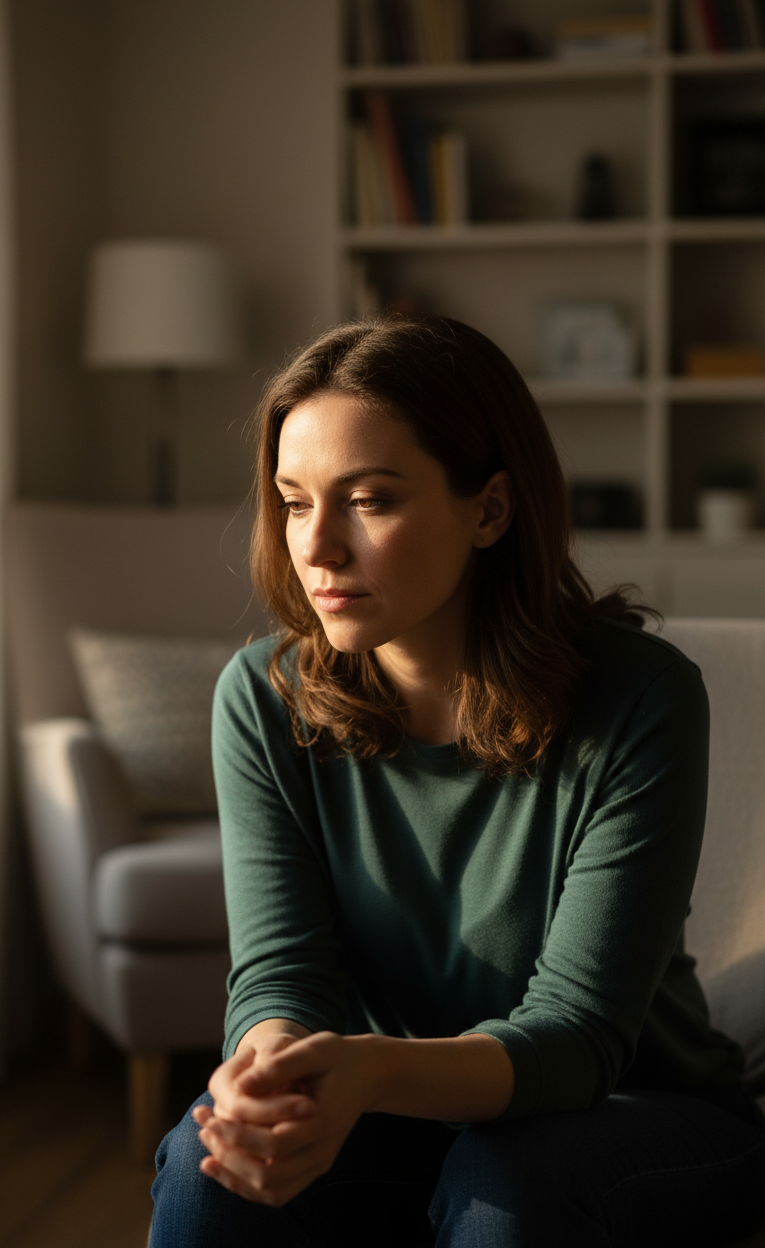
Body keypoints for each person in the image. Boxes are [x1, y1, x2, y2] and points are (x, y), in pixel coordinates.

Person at [150, 315, 765, 1247]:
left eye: (368, 500)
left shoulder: (641, 697)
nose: (316, 549)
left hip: (639, 1112)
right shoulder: (262, 696)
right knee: (212, 1175)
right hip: (389, 1111)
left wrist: (368, 1073)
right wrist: (270, 1069)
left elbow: (579, 1035)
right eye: (292, 500)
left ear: (491, 509)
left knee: (505, 1177)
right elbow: (281, 972)